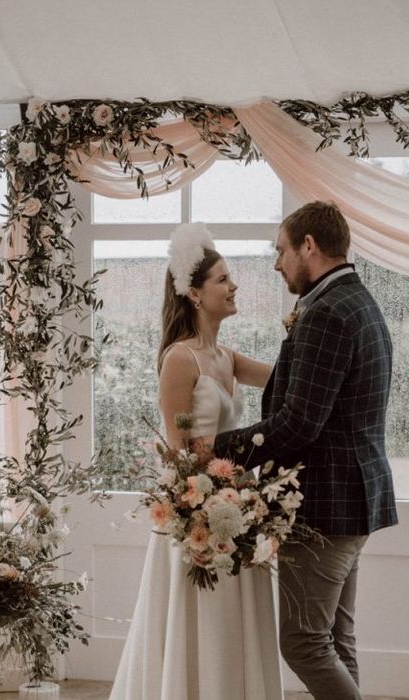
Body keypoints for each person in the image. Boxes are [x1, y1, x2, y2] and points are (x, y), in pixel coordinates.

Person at [200, 201, 398, 700]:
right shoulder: (357, 301)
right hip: (355, 499)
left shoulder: (327, 313)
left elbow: (297, 424)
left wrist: (215, 450)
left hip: (328, 506)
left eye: (281, 250)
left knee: (305, 643)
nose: (276, 263)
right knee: (334, 637)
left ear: (309, 246)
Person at [108, 222, 283, 700]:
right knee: (198, 620)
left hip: (238, 508)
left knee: (232, 621)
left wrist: (304, 331)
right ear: (194, 294)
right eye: (223, 280)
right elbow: (178, 450)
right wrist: (214, 489)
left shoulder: (226, 356)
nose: (234, 286)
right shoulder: (180, 359)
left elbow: (287, 379)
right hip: (197, 512)